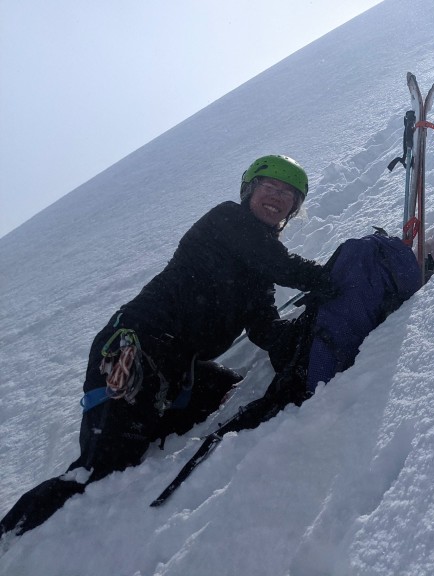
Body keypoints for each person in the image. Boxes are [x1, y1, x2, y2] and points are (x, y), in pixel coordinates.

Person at [0, 154, 337, 539]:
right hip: (132, 350)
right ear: (249, 192)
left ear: (294, 208)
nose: (277, 197)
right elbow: (284, 266)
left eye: (288, 194)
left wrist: (306, 335)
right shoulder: (227, 220)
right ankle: (11, 541)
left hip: (177, 368)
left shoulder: (257, 272)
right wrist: (341, 277)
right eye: (269, 187)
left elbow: (263, 325)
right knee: (99, 470)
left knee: (229, 392)